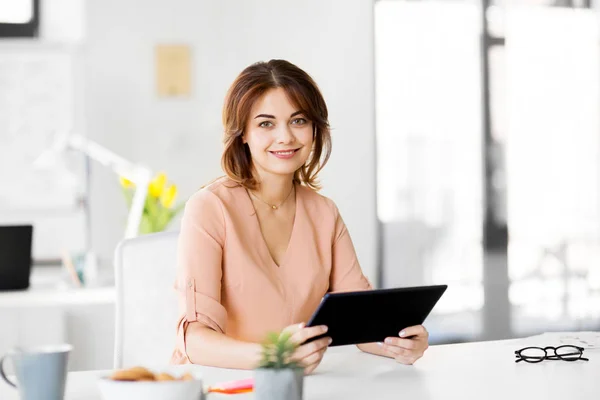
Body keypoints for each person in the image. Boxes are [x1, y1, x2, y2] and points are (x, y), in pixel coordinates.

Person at [171, 59, 429, 373]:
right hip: (222, 384)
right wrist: (274, 356)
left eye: (298, 121)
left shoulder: (324, 212)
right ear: (243, 134)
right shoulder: (210, 207)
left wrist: (397, 341)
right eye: (266, 123)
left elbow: (360, 322)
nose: (286, 137)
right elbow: (194, 341)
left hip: (301, 387)